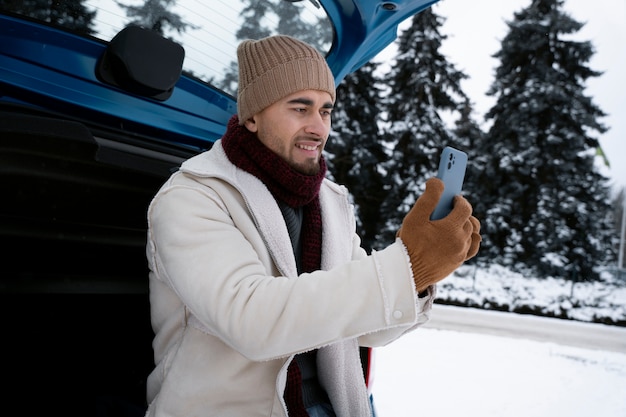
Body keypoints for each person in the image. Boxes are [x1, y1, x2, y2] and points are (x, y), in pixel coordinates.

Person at [144, 34, 481, 417]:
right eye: (300, 108)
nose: (318, 128)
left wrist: (419, 277)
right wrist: (406, 267)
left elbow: (367, 326)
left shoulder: (330, 202)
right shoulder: (193, 196)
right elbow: (251, 321)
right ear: (252, 116)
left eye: (325, 111)